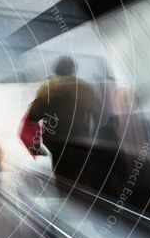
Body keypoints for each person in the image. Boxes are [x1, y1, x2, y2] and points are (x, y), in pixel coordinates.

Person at [24, 56, 101, 186]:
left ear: (56, 70)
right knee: (80, 172)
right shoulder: (84, 88)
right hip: (79, 138)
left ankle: (64, 195)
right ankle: (82, 198)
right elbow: (99, 112)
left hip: (55, 140)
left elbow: (34, 115)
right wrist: (94, 131)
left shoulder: (46, 89)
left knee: (61, 172)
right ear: (73, 69)